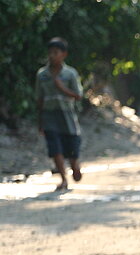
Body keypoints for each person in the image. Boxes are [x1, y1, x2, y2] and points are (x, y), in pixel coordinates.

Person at [35, 37, 83, 191]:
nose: (52, 55)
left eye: (55, 52)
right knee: (55, 148)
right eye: (50, 52)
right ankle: (63, 179)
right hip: (49, 116)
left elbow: (78, 95)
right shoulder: (42, 75)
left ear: (64, 54)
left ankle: (75, 165)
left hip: (67, 115)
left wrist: (62, 88)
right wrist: (40, 121)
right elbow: (40, 98)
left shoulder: (70, 74)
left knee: (72, 147)